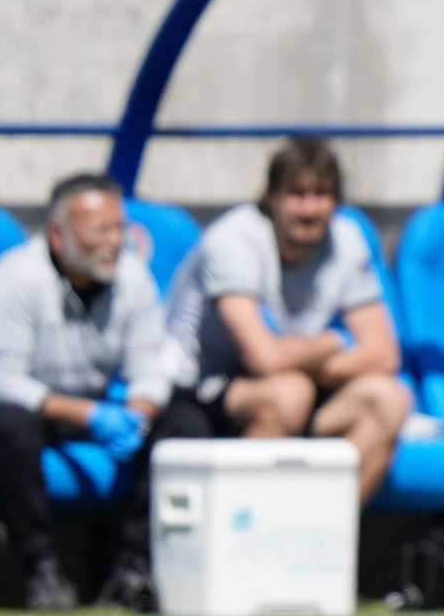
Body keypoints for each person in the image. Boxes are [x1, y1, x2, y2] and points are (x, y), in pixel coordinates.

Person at [0, 174, 181, 610]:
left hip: (84, 410)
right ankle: (42, 569)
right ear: (58, 236)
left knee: (182, 420)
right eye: (98, 230)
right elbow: (1, 382)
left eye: (118, 228)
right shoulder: (16, 278)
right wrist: (92, 416)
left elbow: (150, 369)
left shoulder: (133, 277)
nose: (113, 241)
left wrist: (138, 413)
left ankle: (131, 570)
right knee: (13, 425)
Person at [161, 137, 407, 504]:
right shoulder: (233, 240)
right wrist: (329, 344)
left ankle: (321, 537)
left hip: (296, 384)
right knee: (288, 394)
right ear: (270, 199)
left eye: (321, 194)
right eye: (297, 194)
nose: (310, 209)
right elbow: (262, 358)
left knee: (390, 399)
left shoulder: (348, 239)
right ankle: (241, 536)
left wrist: (304, 359)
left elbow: (384, 356)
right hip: (196, 392)